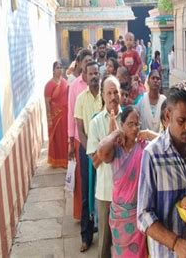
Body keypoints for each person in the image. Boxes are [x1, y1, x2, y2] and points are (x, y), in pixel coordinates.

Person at [137, 81, 186, 258]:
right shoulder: (152, 155)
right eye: (182, 120)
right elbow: (143, 215)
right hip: (167, 253)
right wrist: (176, 243)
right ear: (166, 117)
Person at [97, 106, 158, 258]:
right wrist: (116, 133)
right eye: (130, 124)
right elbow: (101, 152)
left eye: (137, 124)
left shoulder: (144, 147)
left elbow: (165, 142)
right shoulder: (116, 149)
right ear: (122, 124)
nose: (134, 128)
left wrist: (148, 133)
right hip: (119, 216)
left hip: (138, 214)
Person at [86, 75, 123, 258]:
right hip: (105, 192)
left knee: (127, 243)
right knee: (105, 245)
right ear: (103, 96)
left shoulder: (130, 118)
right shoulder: (96, 122)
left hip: (127, 194)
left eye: (115, 92)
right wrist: (108, 140)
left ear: (121, 94)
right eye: (108, 93)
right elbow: (94, 162)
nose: (112, 97)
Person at [74, 61, 102, 252]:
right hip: (87, 154)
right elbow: (80, 130)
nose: (93, 77)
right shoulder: (80, 99)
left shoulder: (105, 97)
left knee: (104, 193)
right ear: (84, 75)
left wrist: (100, 152)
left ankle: (105, 233)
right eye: (90, 74)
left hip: (105, 152)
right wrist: (90, 153)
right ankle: (86, 236)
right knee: (86, 195)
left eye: (95, 74)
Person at [68, 48, 93, 221]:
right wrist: (71, 142)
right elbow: (71, 114)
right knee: (82, 181)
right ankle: (81, 215)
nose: (88, 65)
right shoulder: (75, 86)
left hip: (97, 140)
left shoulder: (98, 86)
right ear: (80, 64)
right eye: (86, 62)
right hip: (80, 139)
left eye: (91, 62)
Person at [44, 61, 69, 168]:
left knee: (65, 137)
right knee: (57, 138)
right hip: (56, 116)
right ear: (53, 70)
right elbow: (47, 103)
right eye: (57, 67)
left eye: (61, 67)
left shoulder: (64, 82)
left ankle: (66, 159)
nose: (60, 69)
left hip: (66, 114)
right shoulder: (49, 85)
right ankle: (57, 160)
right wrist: (49, 118)